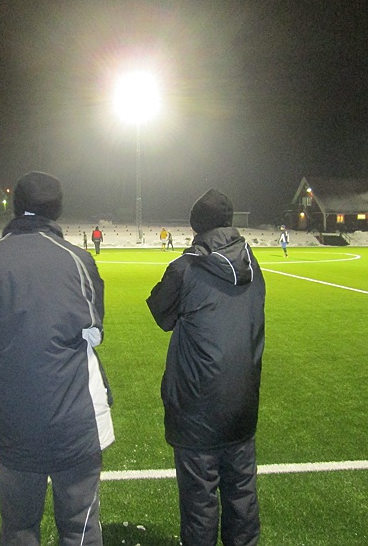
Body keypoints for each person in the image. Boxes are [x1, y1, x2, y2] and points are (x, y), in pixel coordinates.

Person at [0, 171, 114, 546]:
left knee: (18, 527)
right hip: (74, 420)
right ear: (57, 209)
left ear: (15, 207)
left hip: (11, 420)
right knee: (80, 528)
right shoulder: (77, 259)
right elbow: (94, 330)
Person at [146, 189, 266, 546]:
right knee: (242, 496)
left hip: (197, 408)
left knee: (200, 503)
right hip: (242, 402)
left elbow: (160, 313)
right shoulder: (252, 264)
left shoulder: (185, 268)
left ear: (196, 225)